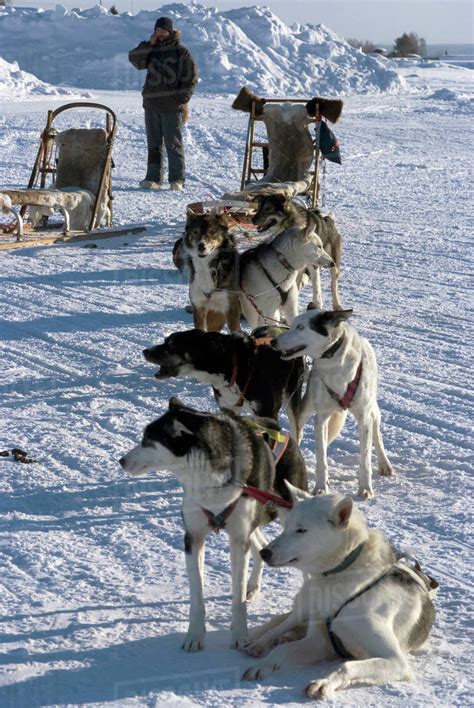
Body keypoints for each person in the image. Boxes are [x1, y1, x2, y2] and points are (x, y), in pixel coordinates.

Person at [129, 17, 198, 191]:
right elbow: (136, 61)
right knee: (153, 144)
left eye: (162, 30)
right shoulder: (151, 49)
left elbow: (191, 78)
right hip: (152, 105)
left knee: (172, 144)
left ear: (170, 31)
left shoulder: (181, 52)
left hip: (172, 107)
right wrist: (148, 45)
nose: (159, 33)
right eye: (157, 30)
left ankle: (177, 179)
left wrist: (180, 99)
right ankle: (153, 178)